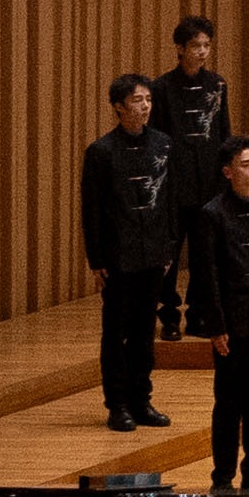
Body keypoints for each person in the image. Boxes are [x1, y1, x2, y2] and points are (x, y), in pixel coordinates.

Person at [79, 74, 184, 433]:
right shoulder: (101, 152)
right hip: (118, 255)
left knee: (144, 330)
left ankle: (142, 400)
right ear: (119, 107)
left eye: (148, 100)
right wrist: (97, 259)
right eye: (138, 100)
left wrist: (169, 246)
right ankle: (117, 405)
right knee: (117, 332)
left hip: (154, 251)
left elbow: (170, 199)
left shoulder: (163, 144)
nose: (145, 106)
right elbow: (92, 210)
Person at [186, 136, 249, 494]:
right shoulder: (212, 213)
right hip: (230, 321)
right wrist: (216, 325)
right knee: (228, 401)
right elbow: (207, 274)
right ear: (228, 172)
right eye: (246, 164)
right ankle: (223, 475)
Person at [147, 16, 233, 339]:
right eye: (196, 45)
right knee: (168, 254)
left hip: (208, 183)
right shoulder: (162, 88)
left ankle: (199, 314)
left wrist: (225, 178)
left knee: (204, 255)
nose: (202, 51)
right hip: (173, 185)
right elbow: (156, 140)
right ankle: (169, 316)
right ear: (180, 48)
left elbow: (223, 133)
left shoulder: (217, 86)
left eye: (207, 45)